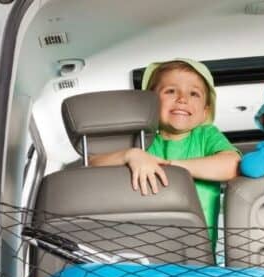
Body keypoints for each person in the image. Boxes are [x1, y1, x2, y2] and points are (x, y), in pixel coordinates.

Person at [89, 58, 240, 250]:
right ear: (150, 104)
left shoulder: (206, 135)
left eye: (194, 93)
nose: (182, 99)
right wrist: (130, 155)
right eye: (170, 91)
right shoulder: (140, 140)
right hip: (141, 253)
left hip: (196, 255)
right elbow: (92, 164)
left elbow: (232, 165)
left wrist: (171, 166)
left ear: (205, 111)